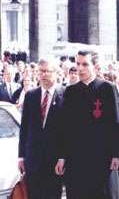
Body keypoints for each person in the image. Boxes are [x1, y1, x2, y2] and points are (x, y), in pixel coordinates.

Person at [55, 50, 119, 199]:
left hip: (102, 157)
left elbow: (114, 123)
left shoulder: (107, 88)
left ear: (95, 66)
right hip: (77, 159)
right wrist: (62, 156)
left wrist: (116, 154)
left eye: (85, 64)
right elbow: (65, 127)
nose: (80, 68)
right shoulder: (71, 91)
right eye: (78, 64)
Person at [18, 57, 65, 199]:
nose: (43, 74)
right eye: (41, 71)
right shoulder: (31, 95)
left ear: (57, 72)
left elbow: (68, 131)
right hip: (33, 160)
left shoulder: (66, 95)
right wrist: (21, 156)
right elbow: (24, 128)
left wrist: (63, 157)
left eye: (47, 71)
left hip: (54, 161)